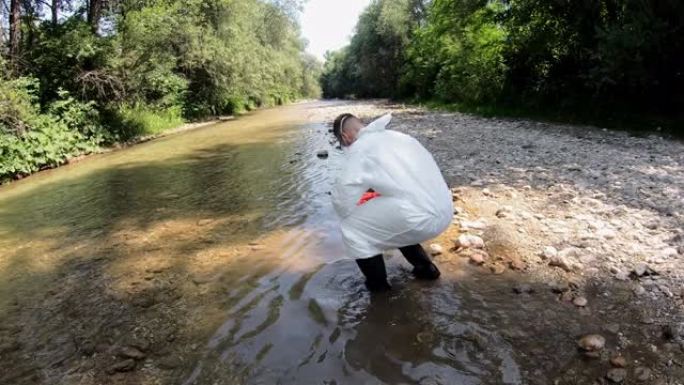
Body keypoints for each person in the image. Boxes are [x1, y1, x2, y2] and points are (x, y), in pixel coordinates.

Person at [331, 112, 453, 291]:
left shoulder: (360, 148)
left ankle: (379, 289)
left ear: (345, 136)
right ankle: (427, 269)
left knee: (352, 228)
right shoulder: (399, 137)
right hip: (444, 210)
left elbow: (342, 200)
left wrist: (353, 210)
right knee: (393, 222)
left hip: (419, 216)